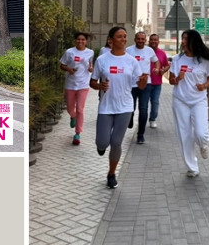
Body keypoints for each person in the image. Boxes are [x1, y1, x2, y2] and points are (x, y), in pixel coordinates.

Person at [89, 27, 145, 189]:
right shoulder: (102, 60)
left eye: (125, 37)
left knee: (116, 142)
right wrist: (100, 86)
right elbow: (92, 82)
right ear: (111, 40)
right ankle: (101, 146)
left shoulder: (132, 61)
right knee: (103, 141)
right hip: (106, 106)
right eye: (119, 37)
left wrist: (143, 80)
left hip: (125, 106)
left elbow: (140, 86)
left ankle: (111, 174)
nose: (123, 39)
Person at [166, 29, 209, 177]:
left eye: (186, 39)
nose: (183, 41)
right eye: (182, 38)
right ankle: (192, 167)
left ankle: (203, 144)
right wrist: (177, 78)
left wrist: (204, 86)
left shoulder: (204, 60)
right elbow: (171, 80)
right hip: (180, 100)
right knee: (184, 135)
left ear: (193, 41)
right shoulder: (177, 59)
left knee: (201, 133)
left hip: (198, 100)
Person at [59, 32, 94, 145]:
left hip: (83, 84)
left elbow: (90, 65)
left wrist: (91, 68)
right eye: (78, 39)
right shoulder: (69, 52)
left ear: (86, 41)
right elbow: (62, 65)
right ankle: (73, 117)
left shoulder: (90, 52)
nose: (80, 41)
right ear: (75, 40)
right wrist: (69, 70)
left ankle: (78, 133)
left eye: (83, 40)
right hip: (70, 84)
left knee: (80, 109)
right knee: (70, 109)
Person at [127, 30, 155, 144]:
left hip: (146, 84)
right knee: (130, 108)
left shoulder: (149, 51)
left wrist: (157, 69)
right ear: (134, 40)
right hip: (132, 84)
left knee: (143, 110)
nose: (140, 41)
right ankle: (130, 119)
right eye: (138, 39)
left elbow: (156, 61)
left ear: (145, 40)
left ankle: (140, 135)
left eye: (142, 39)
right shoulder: (128, 50)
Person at [145, 33, 168, 130]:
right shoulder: (145, 51)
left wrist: (163, 70)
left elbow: (167, 65)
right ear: (149, 41)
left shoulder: (162, 53)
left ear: (158, 42)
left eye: (155, 40)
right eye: (152, 40)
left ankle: (152, 119)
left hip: (157, 82)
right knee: (144, 104)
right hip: (145, 83)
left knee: (155, 102)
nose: (153, 41)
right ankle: (142, 120)